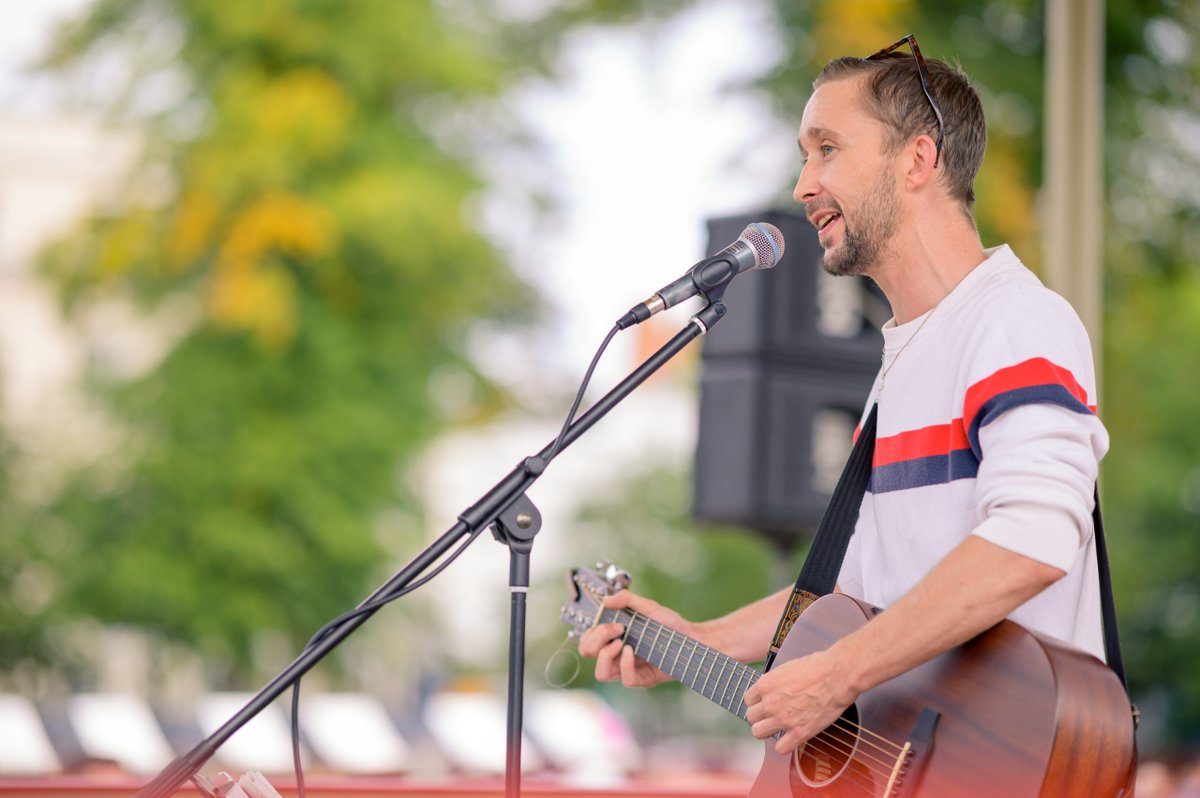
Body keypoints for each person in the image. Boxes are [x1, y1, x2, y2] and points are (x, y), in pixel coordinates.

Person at [578, 36, 1109, 757]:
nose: (802, 185)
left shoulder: (1011, 320)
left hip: (1004, 760)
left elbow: (1032, 539)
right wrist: (696, 641)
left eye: (827, 148)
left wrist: (840, 674)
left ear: (918, 160)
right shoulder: (900, 366)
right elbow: (851, 598)